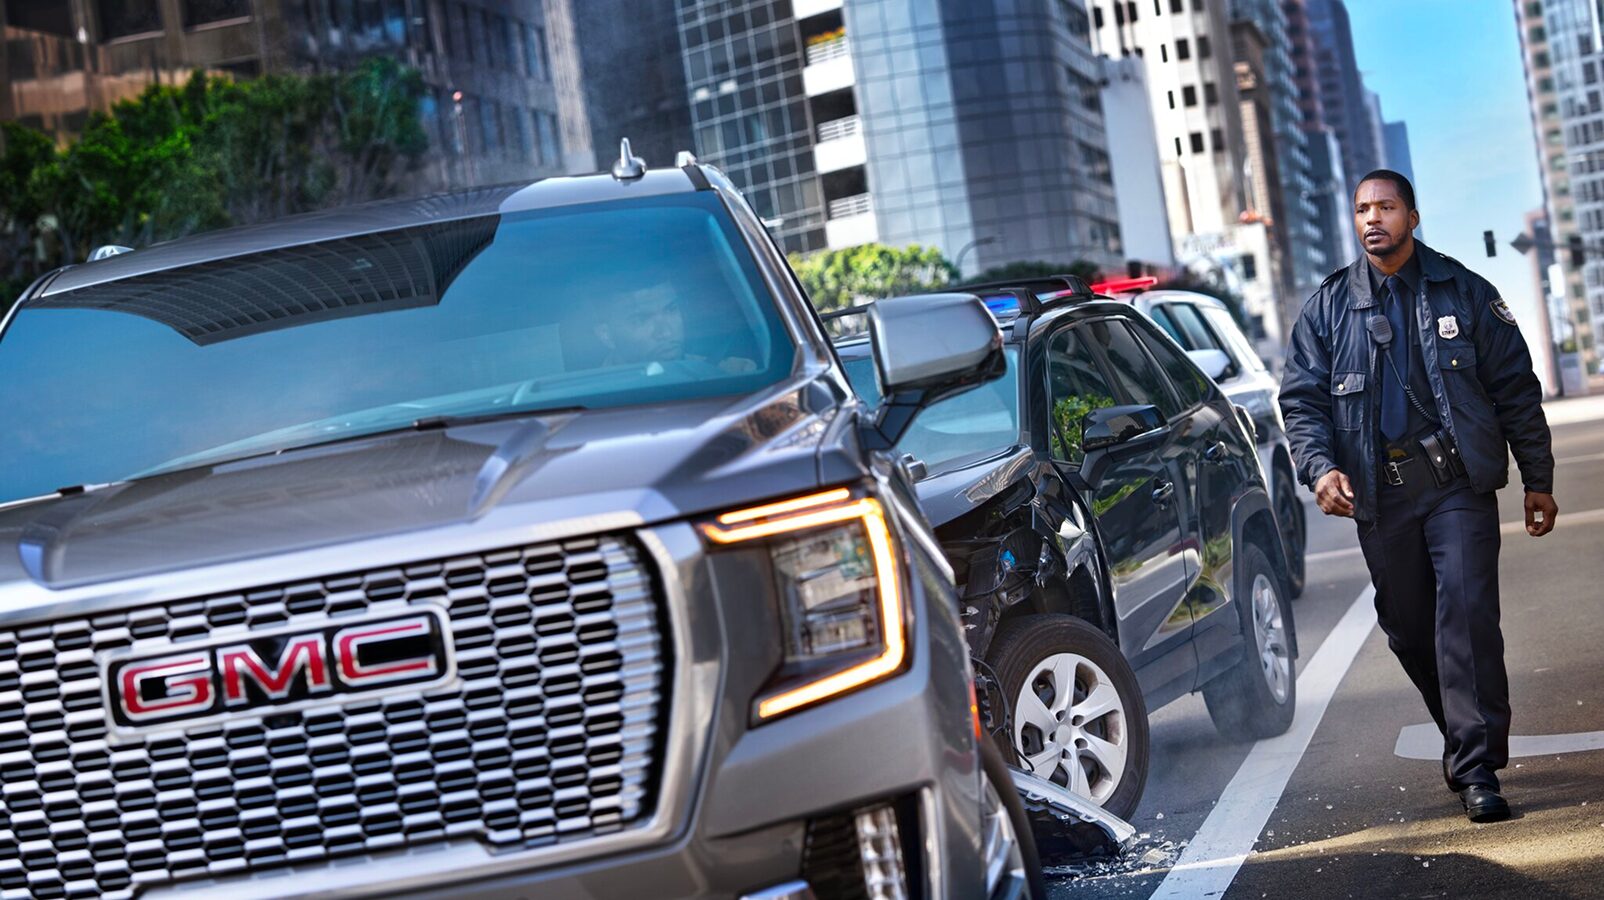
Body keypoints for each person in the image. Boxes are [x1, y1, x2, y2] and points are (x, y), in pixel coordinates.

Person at [1279, 170, 1557, 824]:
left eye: (1385, 207)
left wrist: (1537, 477)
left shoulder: (1465, 291)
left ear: (1413, 215)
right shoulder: (1327, 309)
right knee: (1408, 628)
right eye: (1361, 209)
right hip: (1382, 494)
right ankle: (1467, 731)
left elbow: (1516, 388)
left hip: (1455, 484)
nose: (1372, 218)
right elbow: (1302, 404)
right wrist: (1320, 469)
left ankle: (1475, 765)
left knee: (1464, 612)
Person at [593, 282, 755, 375]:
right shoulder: (590, 400)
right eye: (640, 320)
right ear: (606, 335)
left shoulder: (730, 374)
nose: (665, 332)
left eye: (671, 310)